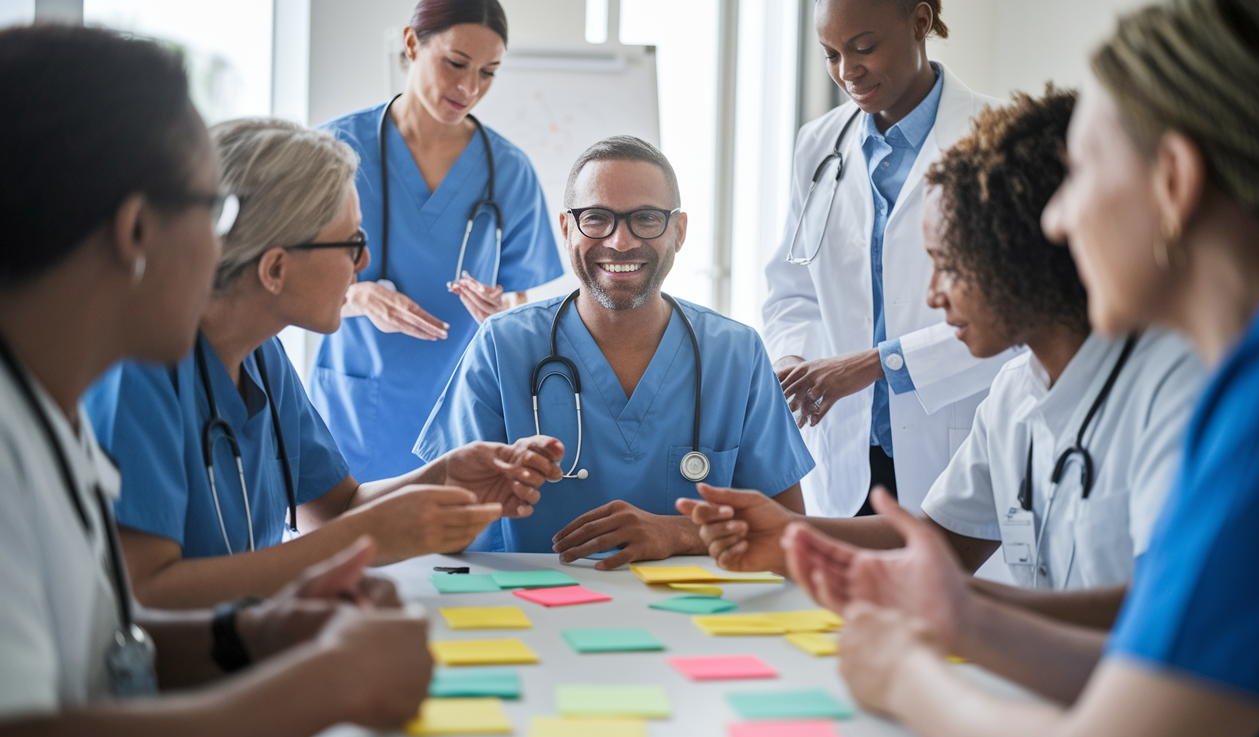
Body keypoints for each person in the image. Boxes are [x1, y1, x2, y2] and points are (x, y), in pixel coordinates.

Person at [792, 1, 1259, 737]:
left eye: (1083, 174)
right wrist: (960, 616)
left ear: (1174, 183)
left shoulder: (1258, 410)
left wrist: (905, 677)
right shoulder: (1248, 384)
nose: (1054, 219)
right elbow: (1153, 668)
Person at [0, 26, 431, 737]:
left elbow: (105, 650)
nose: (222, 248)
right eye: (215, 209)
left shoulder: (43, 416)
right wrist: (330, 682)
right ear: (136, 233)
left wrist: (253, 633)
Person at [683, 86, 1203, 703]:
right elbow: (946, 539)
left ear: (1024, 255)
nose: (932, 295)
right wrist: (795, 536)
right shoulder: (1016, 393)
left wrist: (948, 607)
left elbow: (1162, 621)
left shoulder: (1173, 388)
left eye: (948, 266)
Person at [86, 118, 563, 609]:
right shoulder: (138, 371)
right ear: (275, 268)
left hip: (252, 651)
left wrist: (443, 479)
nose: (364, 263)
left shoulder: (261, 357)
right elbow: (144, 596)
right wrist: (371, 536)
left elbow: (338, 510)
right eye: (352, 243)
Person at [414, 136, 814, 567]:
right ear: (567, 230)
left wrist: (680, 533)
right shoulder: (502, 346)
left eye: (645, 218)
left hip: (696, 620)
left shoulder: (737, 354)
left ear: (678, 232)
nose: (620, 242)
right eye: (597, 218)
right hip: (536, 615)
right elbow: (438, 526)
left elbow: (790, 529)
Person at [764, 0, 1015, 519]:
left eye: (864, 47)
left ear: (920, 21)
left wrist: (878, 365)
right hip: (850, 450)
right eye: (831, 54)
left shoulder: (1001, 138)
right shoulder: (819, 144)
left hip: (958, 441)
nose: (846, 72)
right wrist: (792, 358)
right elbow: (794, 290)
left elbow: (1018, 313)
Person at [311, 0, 563, 482]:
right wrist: (360, 296)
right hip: (359, 416)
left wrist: (502, 309)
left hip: (465, 414)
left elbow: (520, 300)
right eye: (455, 63)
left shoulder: (508, 171)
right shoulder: (335, 152)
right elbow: (282, 279)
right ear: (411, 44)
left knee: (460, 554)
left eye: (488, 72)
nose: (470, 88)